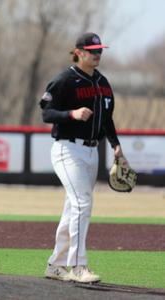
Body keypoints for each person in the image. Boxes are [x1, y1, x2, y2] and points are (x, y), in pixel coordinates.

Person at [39, 32, 124, 283]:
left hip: (91, 150)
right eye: (92, 50)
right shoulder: (65, 79)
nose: (97, 54)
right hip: (68, 149)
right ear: (79, 53)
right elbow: (46, 113)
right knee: (82, 204)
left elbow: (106, 118)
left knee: (73, 207)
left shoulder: (103, 82)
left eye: (100, 50)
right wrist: (72, 114)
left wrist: (116, 146)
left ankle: (55, 265)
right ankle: (78, 266)